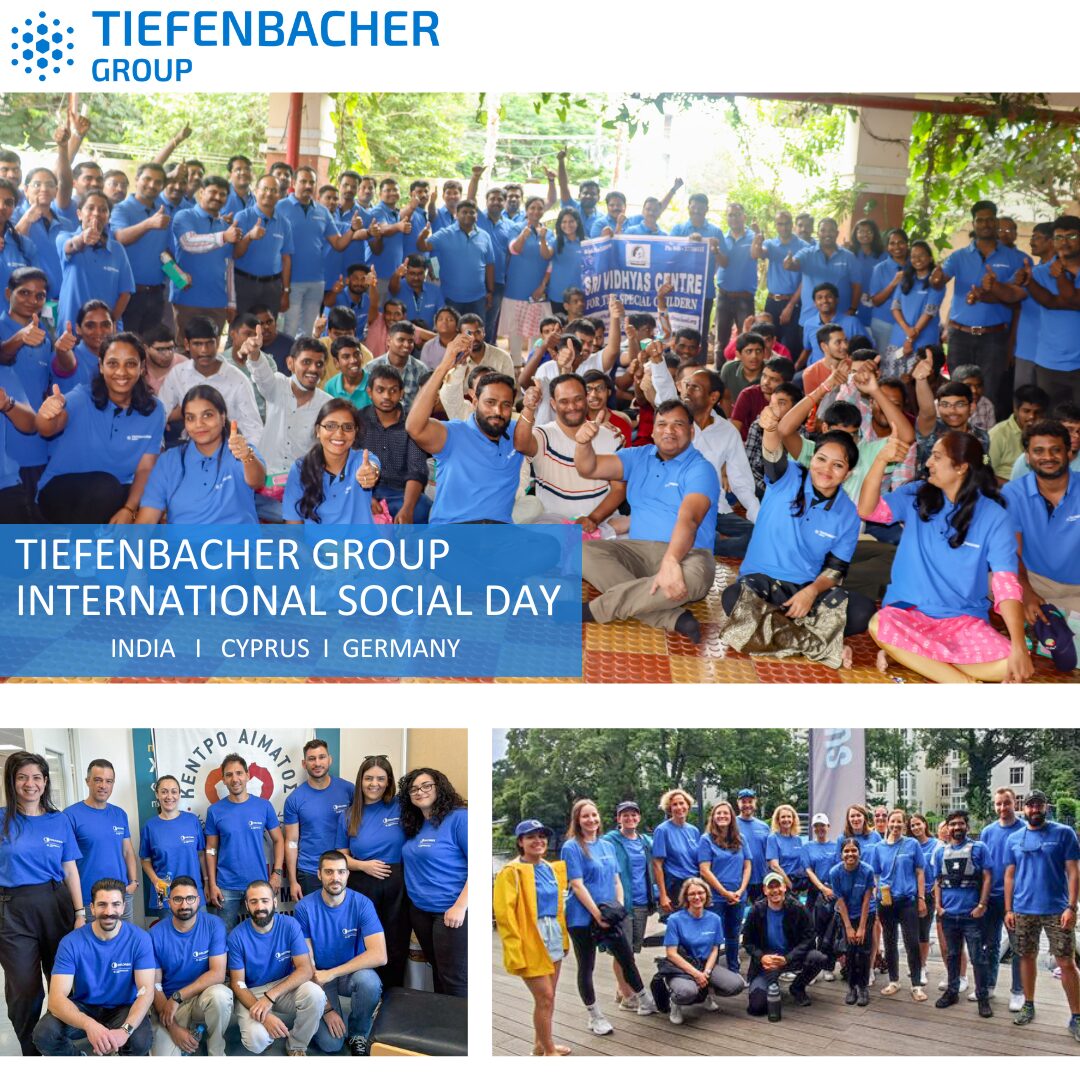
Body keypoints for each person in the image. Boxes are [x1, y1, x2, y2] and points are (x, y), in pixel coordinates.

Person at [860, 431, 1034, 684]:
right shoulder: (916, 495)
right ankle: (962, 684)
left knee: (1010, 663)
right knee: (880, 624)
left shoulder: (995, 516)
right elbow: (868, 510)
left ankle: (914, 657)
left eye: (937, 457)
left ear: (961, 467)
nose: (928, 462)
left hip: (963, 622)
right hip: (910, 613)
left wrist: (1018, 646)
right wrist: (880, 461)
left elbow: (1006, 584)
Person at [719, 406, 871, 668]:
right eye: (821, 459)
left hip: (803, 593)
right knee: (733, 599)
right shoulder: (788, 476)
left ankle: (775, 632)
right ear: (811, 458)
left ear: (848, 473)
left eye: (838, 465)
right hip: (761, 585)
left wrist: (811, 592)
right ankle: (817, 642)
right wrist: (769, 429)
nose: (826, 470)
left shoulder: (848, 513)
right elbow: (772, 451)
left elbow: (836, 570)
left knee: (862, 611)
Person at [577, 399, 719, 642]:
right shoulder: (637, 457)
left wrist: (672, 561)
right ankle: (669, 616)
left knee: (695, 578)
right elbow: (588, 468)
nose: (669, 430)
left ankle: (593, 610)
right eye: (662, 424)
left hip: (688, 554)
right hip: (637, 551)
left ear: (691, 431)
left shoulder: (701, 469)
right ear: (652, 431)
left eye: (678, 424)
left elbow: (690, 519)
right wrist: (583, 443)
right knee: (580, 552)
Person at [0, 751, 84, 1056]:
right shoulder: (1, 820)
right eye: (22, 777)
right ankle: (30, 1051)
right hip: (13, 909)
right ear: (12, 781)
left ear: (45, 782)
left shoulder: (58, 820)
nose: (30, 784)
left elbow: (70, 870)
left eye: (37, 777)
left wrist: (79, 913)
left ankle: (58, 1042)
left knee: (63, 978)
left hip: (56, 903)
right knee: (24, 988)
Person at [34, 331, 165, 524]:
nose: (121, 372)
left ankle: (122, 551)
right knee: (106, 487)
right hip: (60, 493)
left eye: (130, 363)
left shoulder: (154, 410)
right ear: (101, 367)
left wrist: (129, 509)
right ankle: (78, 550)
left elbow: (145, 468)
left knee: (154, 498)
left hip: (116, 493)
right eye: (113, 363)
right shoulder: (82, 397)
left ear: (142, 367)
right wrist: (46, 414)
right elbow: (47, 428)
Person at [649, 349, 760, 556]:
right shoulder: (678, 421)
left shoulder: (727, 431)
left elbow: (741, 483)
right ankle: (698, 541)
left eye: (695, 388)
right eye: (687, 386)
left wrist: (761, 519)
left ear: (713, 397)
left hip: (715, 510)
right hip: (673, 506)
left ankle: (700, 543)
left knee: (759, 535)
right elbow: (665, 393)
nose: (687, 392)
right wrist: (657, 362)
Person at [561, 799, 655, 1035]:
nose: (591, 820)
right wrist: (597, 914)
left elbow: (616, 880)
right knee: (587, 965)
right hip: (582, 917)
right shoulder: (572, 847)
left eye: (594, 815)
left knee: (626, 957)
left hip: (610, 914)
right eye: (585, 816)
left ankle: (644, 999)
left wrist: (618, 909)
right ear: (577, 820)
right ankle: (594, 1016)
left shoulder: (607, 846)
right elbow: (577, 885)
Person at [407, 335, 523, 524]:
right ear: (474, 401)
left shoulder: (517, 432)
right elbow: (414, 427)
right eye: (490, 402)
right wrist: (444, 366)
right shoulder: (454, 433)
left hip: (499, 534)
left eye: (506, 404)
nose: (497, 411)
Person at [32, 879, 155, 1056]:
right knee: (44, 1034)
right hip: (85, 1006)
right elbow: (56, 999)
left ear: (123, 907)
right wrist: (89, 1025)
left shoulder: (140, 939)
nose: (109, 912)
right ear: (92, 908)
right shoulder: (71, 942)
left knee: (140, 1042)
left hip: (123, 1007)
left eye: (115, 904)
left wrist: (125, 1030)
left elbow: (147, 991)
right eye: (102, 904)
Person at [929, 200, 1026, 418]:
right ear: (973, 224)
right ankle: (952, 439)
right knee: (956, 392)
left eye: (990, 219)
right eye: (980, 220)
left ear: (996, 222)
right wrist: (936, 280)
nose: (985, 224)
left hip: (994, 338)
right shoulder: (958, 256)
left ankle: (983, 443)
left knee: (989, 392)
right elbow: (940, 279)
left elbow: (1017, 293)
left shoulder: (1016, 258)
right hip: (960, 336)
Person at [1004, 790, 1080, 1038]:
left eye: (1038, 805)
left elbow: (1073, 871)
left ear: (1046, 807)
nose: (1034, 810)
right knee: (1026, 956)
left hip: (1057, 910)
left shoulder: (1063, 834)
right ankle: (1028, 1004)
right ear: (1022, 808)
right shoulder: (1014, 838)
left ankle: (1077, 1016)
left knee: (1066, 962)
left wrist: (1071, 906)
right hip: (1023, 909)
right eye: (1030, 806)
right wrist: (1008, 908)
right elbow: (1010, 876)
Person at [294, 850, 385, 1056]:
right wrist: (327, 1010)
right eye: (329, 872)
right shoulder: (304, 908)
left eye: (341, 872)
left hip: (346, 974)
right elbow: (307, 964)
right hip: (319, 978)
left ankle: (358, 1033)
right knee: (331, 1044)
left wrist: (334, 972)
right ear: (319, 874)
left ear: (347, 875)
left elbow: (380, 954)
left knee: (369, 982)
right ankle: (318, 1013)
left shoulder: (362, 904)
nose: (335, 878)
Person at [493, 819, 572, 1057]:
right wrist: (515, 952)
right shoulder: (511, 872)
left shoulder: (550, 868)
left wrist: (564, 939)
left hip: (553, 934)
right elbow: (505, 916)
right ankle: (548, 1052)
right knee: (544, 996)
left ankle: (541, 1044)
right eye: (531, 837)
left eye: (541, 836)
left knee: (548, 997)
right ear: (520, 842)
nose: (538, 841)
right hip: (531, 937)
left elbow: (559, 907)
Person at [136, 387, 266, 525]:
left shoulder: (242, 452)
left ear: (222, 418)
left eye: (207, 415)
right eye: (190, 418)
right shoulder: (169, 460)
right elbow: (147, 519)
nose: (199, 424)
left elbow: (257, 481)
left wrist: (246, 456)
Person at [515, 373, 627, 531]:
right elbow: (521, 444)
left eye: (578, 399)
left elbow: (619, 489)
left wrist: (593, 519)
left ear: (586, 397)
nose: (572, 407)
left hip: (603, 524)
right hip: (552, 526)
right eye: (564, 401)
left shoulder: (611, 437)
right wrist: (528, 408)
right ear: (553, 404)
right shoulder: (542, 436)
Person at [226, 880, 326, 1056]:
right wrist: (264, 1015)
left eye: (265, 900)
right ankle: (267, 1032)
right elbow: (238, 983)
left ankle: (296, 1044)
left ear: (274, 902)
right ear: (247, 906)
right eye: (254, 902)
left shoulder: (290, 925)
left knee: (316, 994)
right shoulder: (236, 937)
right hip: (252, 991)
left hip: (283, 986)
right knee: (257, 1041)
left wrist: (270, 997)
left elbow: (305, 969)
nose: (260, 906)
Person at [337, 756, 410, 989]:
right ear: (360, 781)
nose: (374, 783)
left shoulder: (401, 807)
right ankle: (368, 993)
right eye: (368, 778)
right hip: (362, 883)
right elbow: (341, 858)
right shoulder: (348, 815)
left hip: (398, 884)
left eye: (380, 778)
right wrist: (364, 866)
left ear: (389, 782)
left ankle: (392, 996)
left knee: (395, 942)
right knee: (364, 941)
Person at [1004, 420, 1080, 637]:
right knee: (992, 580)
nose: (1047, 457)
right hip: (1035, 581)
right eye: (1039, 451)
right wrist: (1026, 593)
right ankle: (1050, 615)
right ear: (1027, 457)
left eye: (1056, 450)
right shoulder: (1013, 494)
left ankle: (1051, 617)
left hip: (1077, 588)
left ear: (1069, 454)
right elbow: (1012, 553)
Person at [399, 767, 468, 998]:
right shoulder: (415, 824)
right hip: (420, 912)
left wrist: (460, 906)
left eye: (426, 785)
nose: (420, 791)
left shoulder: (459, 818)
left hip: (449, 912)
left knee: (454, 979)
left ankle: (461, 1031)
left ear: (440, 787)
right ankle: (444, 1029)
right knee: (438, 972)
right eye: (414, 789)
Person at [148, 875, 232, 1057]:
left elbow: (218, 974)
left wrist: (179, 996)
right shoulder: (154, 934)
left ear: (198, 900)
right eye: (178, 899)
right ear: (169, 902)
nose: (184, 905)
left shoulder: (214, 924)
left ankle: (216, 1050)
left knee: (221, 995)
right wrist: (173, 1028)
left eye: (190, 898)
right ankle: (186, 1029)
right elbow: (154, 985)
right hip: (168, 1005)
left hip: (202, 998)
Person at [277, 165, 366, 338]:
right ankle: (285, 365)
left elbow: (338, 244)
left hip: (317, 281)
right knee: (289, 330)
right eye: (303, 181)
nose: (308, 186)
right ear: (294, 183)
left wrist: (353, 230)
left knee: (308, 331)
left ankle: (301, 364)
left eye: (312, 182)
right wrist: (283, 286)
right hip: (290, 281)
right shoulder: (280, 207)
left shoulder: (322, 211)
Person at [203, 753, 284, 932]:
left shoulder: (263, 806)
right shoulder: (215, 811)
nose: (235, 779)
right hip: (226, 887)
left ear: (247, 775)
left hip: (259, 885)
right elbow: (210, 850)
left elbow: (279, 840)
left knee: (266, 933)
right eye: (229, 774)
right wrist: (212, 884)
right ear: (223, 779)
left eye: (239, 773)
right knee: (224, 937)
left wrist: (277, 873)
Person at [158, 317, 264, 445]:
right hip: (190, 447)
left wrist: (247, 459)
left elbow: (254, 429)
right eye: (197, 344)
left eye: (209, 343)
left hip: (229, 449)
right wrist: (157, 448)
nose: (204, 350)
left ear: (218, 342)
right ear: (187, 344)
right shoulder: (178, 374)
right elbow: (159, 414)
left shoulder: (238, 379)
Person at [932, 810, 993, 1016]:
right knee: (952, 956)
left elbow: (987, 877)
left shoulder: (979, 848)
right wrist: (938, 907)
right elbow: (938, 881)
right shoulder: (940, 852)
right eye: (953, 824)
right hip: (948, 915)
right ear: (947, 828)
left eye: (960, 824)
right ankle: (952, 991)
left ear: (967, 826)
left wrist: (982, 905)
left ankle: (982, 998)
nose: (957, 827)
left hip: (972, 916)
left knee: (978, 958)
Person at [661, 878, 746, 1025]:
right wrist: (696, 974)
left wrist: (706, 972)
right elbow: (671, 953)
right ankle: (675, 1002)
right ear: (686, 897)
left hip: (705, 964)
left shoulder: (714, 919)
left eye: (700, 892)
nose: (697, 897)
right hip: (682, 966)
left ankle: (705, 993)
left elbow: (715, 949)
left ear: (707, 895)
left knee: (737, 984)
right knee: (687, 993)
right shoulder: (675, 920)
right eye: (692, 894)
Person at [63, 759, 139, 923]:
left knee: (124, 945)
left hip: (121, 897)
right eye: (98, 780)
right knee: (92, 946)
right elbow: (66, 863)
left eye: (108, 781)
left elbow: (127, 851)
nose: (103, 785)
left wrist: (133, 882)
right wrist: (79, 911)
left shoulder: (120, 814)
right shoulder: (70, 816)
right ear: (88, 781)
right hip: (89, 901)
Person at [1016, 214, 1080, 403]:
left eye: (1072, 237)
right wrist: (1028, 281)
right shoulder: (1040, 272)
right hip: (1049, 363)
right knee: (1051, 426)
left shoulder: (1055, 272)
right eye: (1059, 237)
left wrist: (1061, 276)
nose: (1065, 242)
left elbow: (1072, 300)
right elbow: (1049, 302)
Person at [357, 363, 432, 524]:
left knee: (423, 508)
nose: (386, 396)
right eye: (380, 390)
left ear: (401, 393)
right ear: (370, 392)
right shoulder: (358, 421)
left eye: (393, 390)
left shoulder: (412, 424)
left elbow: (416, 470)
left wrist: (408, 508)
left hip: (400, 494)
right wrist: (364, 498)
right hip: (363, 490)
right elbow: (347, 464)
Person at [742, 871, 827, 1013]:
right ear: (764, 890)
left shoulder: (798, 908)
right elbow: (747, 941)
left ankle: (797, 987)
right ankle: (770, 983)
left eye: (778, 886)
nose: (775, 890)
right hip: (767, 962)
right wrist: (761, 957)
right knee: (757, 1007)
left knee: (818, 958)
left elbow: (809, 937)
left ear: (784, 888)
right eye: (770, 887)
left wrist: (788, 958)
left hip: (791, 957)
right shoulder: (756, 911)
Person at [170, 174, 240, 341]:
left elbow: (229, 267)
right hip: (186, 299)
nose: (217, 197)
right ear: (201, 192)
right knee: (182, 352)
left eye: (222, 194)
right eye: (213, 192)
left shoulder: (225, 226)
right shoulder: (184, 216)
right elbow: (189, 242)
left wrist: (231, 302)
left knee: (210, 357)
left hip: (217, 303)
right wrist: (223, 236)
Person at [283, 739, 355, 901]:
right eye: (311, 758)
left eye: (321, 757)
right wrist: (293, 881)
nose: (317, 763)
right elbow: (291, 842)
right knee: (313, 922)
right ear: (304, 763)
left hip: (343, 869)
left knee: (343, 921)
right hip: (310, 871)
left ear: (330, 759)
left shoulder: (349, 790)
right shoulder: (295, 799)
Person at [55, 191, 134, 332]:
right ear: (79, 214)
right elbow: (71, 246)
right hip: (72, 326)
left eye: (103, 210)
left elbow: (125, 292)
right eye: (90, 208)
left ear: (108, 217)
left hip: (107, 330)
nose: (97, 213)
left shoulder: (117, 249)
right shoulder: (64, 237)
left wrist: (110, 322)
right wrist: (82, 239)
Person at [870, 809, 927, 1001]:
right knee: (889, 941)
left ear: (904, 824)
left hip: (907, 900)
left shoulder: (912, 844)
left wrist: (921, 898)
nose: (895, 825)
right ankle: (894, 980)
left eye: (899, 822)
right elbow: (876, 875)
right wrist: (876, 895)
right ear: (887, 823)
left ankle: (916, 984)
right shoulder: (878, 847)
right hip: (886, 901)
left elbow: (920, 872)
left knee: (912, 942)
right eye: (892, 822)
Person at [978, 787, 1027, 1012]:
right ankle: (988, 985)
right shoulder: (987, 831)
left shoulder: (1025, 829)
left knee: (1018, 946)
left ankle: (1018, 991)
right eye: (998, 804)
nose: (1002, 808)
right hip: (991, 897)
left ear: (1014, 803)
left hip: (1016, 900)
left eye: (1006, 803)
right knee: (990, 944)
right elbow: (982, 866)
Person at [602, 801, 656, 996]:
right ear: (618, 818)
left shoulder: (645, 841)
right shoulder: (610, 840)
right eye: (625, 815)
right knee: (621, 951)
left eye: (634, 814)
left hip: (642, 902)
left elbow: (659, 860)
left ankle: (621, 988)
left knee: (632, 949)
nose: (630, 818)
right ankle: (626, 994)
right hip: (622, 903)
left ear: (639, 817)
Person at [415, 199, 494, 319]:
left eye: (472, 212)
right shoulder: (444, 234)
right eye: (464, 212)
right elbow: (423, 246)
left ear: (476, 216)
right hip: (451, 298)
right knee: (452, 334)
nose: (468, 215)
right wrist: (422, 236)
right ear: (456, 215)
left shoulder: (485, 236)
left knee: (475, 334)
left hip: (478, 298)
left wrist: (490, 291)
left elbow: (490, 264)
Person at [696, 801, 750, 973]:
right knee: (713, 936)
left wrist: (740, 891)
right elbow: (704, 870)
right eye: (718, 813)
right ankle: (711, 972)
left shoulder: (741, 839)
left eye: (725, 813)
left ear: (731, 817)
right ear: (713, 817)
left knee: (733, 935)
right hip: (715, 897)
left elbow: (748, 866)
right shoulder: (706, 840)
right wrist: (725, 892)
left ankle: (733, 970)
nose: (722, 816)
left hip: (738, 896)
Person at [139, 775, 207, 907]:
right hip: (165, 895)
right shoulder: (150, 826)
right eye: (164, 792)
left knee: (199, 927)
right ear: (157, 795)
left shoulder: (192, 821)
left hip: (194, 893)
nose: (169, 796)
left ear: (179, 794)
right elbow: (145, 860)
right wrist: (155, 880)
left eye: (174, 792)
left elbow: (201, 855)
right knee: (168, 928)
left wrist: (207, 881)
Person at [232, 173, 294, 319]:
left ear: (279, 195)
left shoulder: (285, 223)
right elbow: (235, 254)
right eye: (265, 188)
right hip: (244, 284)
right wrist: (249, 237)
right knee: (241, 328)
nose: (269, 193)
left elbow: (286, 259)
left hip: (272, 287)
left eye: (274, 190)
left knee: (268, 332)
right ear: (255, 191)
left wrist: (285, 291)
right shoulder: (242, 217)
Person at [501, 197, 554, 362]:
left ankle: (533, 363)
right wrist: (523, 236)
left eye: (539, 208)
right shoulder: (516, 228)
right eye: (532, 208)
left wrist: (543, 238)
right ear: (526, 209)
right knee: (515, 330)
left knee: (536, 331)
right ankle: (515, 364)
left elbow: (547, 256)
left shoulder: (548, 232)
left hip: (537, 291)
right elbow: (514, 249)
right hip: (516, 289)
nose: (536, 212)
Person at [784, 217, 861, 328]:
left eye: (831, 230)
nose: (827, 234)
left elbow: (857, 286)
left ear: (837, 233)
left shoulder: (849, 257)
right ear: (818, 233)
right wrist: (789, 264)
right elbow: (794, 264)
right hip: (809, 319)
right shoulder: (807, 253)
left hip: (840, 320)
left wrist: (852, 309)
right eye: (823, 230)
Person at [886, 240, 944, 378]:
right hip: (898, 338)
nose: (917, 259)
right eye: (913, 256)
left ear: (930, 258)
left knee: (918, 381)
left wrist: (910, 339)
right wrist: (906, 330)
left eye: (922, 255)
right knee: (894, 380)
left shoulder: (936, 282)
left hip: (923, 341)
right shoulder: (905, 279)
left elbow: (929, 312)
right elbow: (895, 307)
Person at [829, 838, 876, 1006]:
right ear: (841, 854)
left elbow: (867, 899)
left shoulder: (867, 870)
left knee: (863, 951)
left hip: (866, 914)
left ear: (859, 852)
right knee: (849, 951)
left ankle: (863, 987)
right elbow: (840, 901)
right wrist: (849, 927)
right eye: (846, 851)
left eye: (853, 850)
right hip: (846, 914)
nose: (850, 854)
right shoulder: (835, 872)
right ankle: (851, 987)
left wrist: (862, 927)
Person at [652, 789, 702, 919]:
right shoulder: (662, 830)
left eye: (682, 803)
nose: (679, 807)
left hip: (694, 885)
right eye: (675, 804)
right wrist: (663, 895)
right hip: (675, 887)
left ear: (688, 805)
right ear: (669, 808)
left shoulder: (694, 831)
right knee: (678, 927)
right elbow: (657, 865)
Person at [989, 384, 1048, 485]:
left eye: (1037, 412)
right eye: (1026, 411)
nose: (1032, 417)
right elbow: (984, 471)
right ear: (1015, 409)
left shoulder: (1048, 434)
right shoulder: (997, 434)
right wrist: (1015, 488)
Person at [802, 813, 839, 972]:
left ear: (828, 827)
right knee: (812, 930)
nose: (820, 829)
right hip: (815, 893)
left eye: (822, 825)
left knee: (830, 932)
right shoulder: (807, 847)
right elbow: (808, 870)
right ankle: (812, 968)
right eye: (816, 826)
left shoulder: (836, 846)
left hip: (832, 892)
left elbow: (839, 869)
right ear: (813, 829)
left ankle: (828, 967)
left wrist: (830, 889)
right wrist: (822, 888)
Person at [734, 790, 772, 903]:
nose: (747, 805)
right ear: (738, 803)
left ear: (755, 802)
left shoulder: (764, 826)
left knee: (760, 915)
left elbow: (769, 854)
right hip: (739, 880)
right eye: (743, 801)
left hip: (761, 878)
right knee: (738, 914)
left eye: (750, 801)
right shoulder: (732, 824)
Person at [766, 804, 807, 897]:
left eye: (789, 816)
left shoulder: (798, 839)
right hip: (780, 884)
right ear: (778, 820)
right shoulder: (773, 838)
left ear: (793, 819)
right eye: (783, 817)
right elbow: (774, 865)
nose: (786, 819)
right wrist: (789, 885)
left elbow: (801, 863)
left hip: (795, 884)